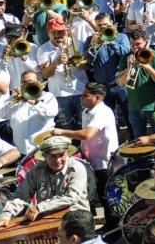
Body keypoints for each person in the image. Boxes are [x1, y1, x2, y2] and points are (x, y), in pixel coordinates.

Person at [49, 82, 118, 226]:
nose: (82, 98)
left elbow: (87, 134)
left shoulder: (102, 112)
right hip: (91, 160)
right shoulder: (86, 111)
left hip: (105, 162)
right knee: (92, 195)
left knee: (107, 196)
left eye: (86, 96)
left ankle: (114, 227)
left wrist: (62, 131)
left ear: (98, 98)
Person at [0, 136, 90, 233]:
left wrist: (39, 208)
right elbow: (21, 196)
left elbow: (71, 197)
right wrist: (6, 215)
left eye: (62, 155)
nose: (58, 160)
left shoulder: (77, 168)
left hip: (77, 219)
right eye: (52, 156)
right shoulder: (36, 171)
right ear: (44, 156)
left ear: (68, 152)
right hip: (48, 220)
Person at [117, 29, 155, 139]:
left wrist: (147, 66)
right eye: (132, 44)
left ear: (146, 41)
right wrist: (129, 68)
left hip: (153, 106)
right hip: (134, 106)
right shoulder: (126, 57)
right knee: (139, 139)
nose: (135, 47)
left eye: (138, 44)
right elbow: (120, 83)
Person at [0, 70, 58, 155]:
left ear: (38, 82)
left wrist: (35, 102)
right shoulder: (16, 98)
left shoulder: (48, 96)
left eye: (30, 81)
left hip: (43, 148)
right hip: (21, 149)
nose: (26, 84)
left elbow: (52, 112)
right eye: (24, 82)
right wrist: (14, 101)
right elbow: (2, 115)